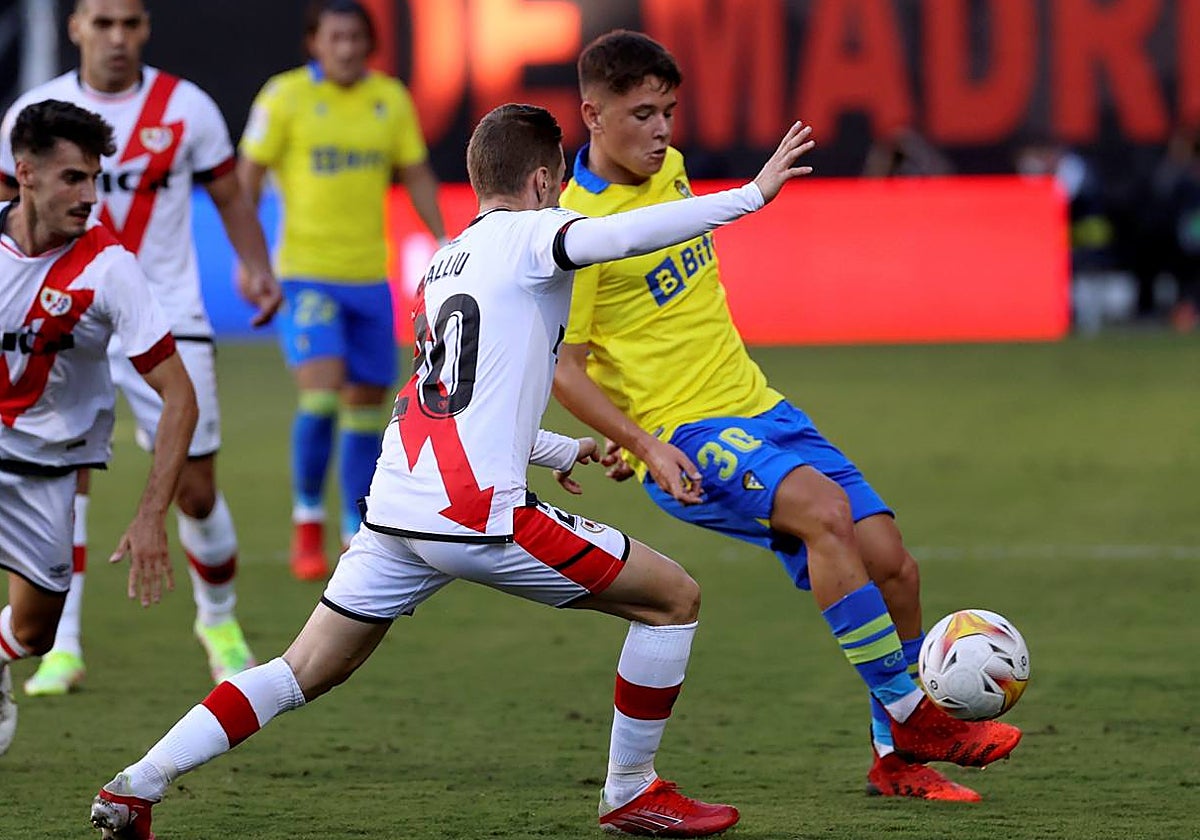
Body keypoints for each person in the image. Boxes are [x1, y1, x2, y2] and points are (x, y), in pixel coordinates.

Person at [88, 103, 819, 839]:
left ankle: (136, 783)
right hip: (476, 515)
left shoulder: (444, 262)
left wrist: (562, 449)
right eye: (559, 185)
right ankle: (630, 790)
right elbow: (624, 233)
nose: (563, 198)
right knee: (673, 597)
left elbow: (454, 401)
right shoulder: (536, 235)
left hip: (399, 508)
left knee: (303, 668)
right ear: (542, 180)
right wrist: (750, 197)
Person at [553, 30, 1022, 803]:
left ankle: (893, 761)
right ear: (592, 115)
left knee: (894, 564)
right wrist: (639, 442)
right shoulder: (580, 232)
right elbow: (565, 371)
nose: (663, 130)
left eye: (669, 110)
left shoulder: (668, 171)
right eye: (642, 114)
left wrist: (621, 431)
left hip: (762, 407)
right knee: (827, 515)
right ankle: (914, 716)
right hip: (690, 439)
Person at [0, 0, 280, 694]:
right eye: (103, 23)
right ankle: (60, 646)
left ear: (146, 29)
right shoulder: (34, 115)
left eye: (130, 23)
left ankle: (218, 622)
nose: (117, 37)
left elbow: (229, 196)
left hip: (166, 312)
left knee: (196, 487)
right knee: (64, 471)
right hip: (67, 324)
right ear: (76, 28)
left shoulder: (187, 106)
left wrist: (256, 265)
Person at [0, 99, 197, 757]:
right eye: (71, 179)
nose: (90, 195)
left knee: (35, 635)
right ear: (23, 173)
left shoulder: (108, 268)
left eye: (94, 177)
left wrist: (149, 516)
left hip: (48, 468)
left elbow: (179, 397)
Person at [238, 0, 449, 581]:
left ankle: (354, 526)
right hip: (305, 273)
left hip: (368, 279)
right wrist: (249, 259)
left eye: (357, 38)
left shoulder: (390, 99)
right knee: (321, 396)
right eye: (336, 38)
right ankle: (306, 519)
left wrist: (445, 239)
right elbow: (246, 179)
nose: (348, 48)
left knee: (364, 409)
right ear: (314, 42)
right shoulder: (283, 98)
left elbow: (416, 173)